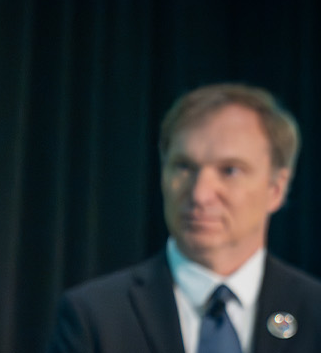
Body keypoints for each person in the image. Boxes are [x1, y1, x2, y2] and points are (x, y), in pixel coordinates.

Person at [47, 83, 319, 353]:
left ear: (276, 189)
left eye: (230, 170)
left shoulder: (314, 313)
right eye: (184, 167)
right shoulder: (96, 316)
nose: (200, 194)